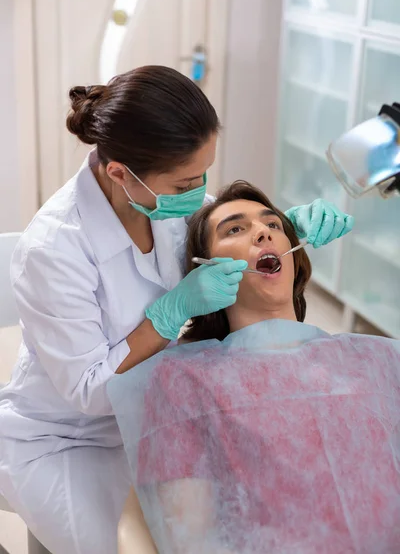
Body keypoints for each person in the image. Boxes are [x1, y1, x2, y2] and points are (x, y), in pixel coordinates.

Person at [0, 66, 353, 554]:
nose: (201, 189)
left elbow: (220, 223)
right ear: (119, 173)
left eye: (204, 172)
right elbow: (90, 392)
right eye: (187, 180)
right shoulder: (53, 249)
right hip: (69, 438)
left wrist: (281, 226)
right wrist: (170, 312)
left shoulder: (164, 198)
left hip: (162, 419)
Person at [108, 181, 400, 554]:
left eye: (273, 225)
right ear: (205, 270)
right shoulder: (185, 381)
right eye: (234, 229)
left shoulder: (374, 360)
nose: (263, 231)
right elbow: (190, 536)